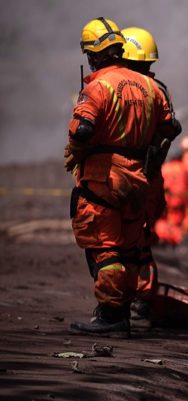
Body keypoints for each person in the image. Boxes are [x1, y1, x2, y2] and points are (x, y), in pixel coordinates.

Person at [65, 17, 174, 336]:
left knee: (105, 247)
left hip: (105, 178)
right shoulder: (151, 86)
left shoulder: (98, 86)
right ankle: (127, 305)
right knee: (130, 246)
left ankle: (112, 315)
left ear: (94, 54)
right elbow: (169, 128)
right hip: (139, 177)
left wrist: (75, 150)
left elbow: (82, 129)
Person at [120, 26, 183, 319]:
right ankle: (141, 297)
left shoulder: (116, 87)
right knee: (142, 238)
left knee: (115, 239)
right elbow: (172, 128)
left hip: (124, 176)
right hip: (152, 176)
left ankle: (118, 300)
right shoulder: (159, 90)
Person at [154, 152, 188, 246]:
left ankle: (163, 237)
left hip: (166, 198)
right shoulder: (183, 168)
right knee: (176, 219)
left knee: (164, 218)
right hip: (180, 198)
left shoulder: (166, 167)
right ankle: (176, 238)